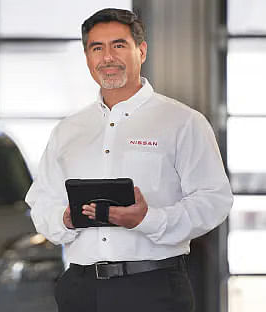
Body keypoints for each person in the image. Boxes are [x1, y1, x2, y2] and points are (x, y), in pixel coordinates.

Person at [25, 8, 233, 312]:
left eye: (118, 45)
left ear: (142, 51)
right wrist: (65, 219)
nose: (108, 57)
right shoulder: (69, 130)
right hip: (80, 289)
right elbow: (41, 201)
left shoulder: (182, 121)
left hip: (153, 287)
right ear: (87, 58)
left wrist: (147, 220)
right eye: (97, 48)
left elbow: (214, 200)